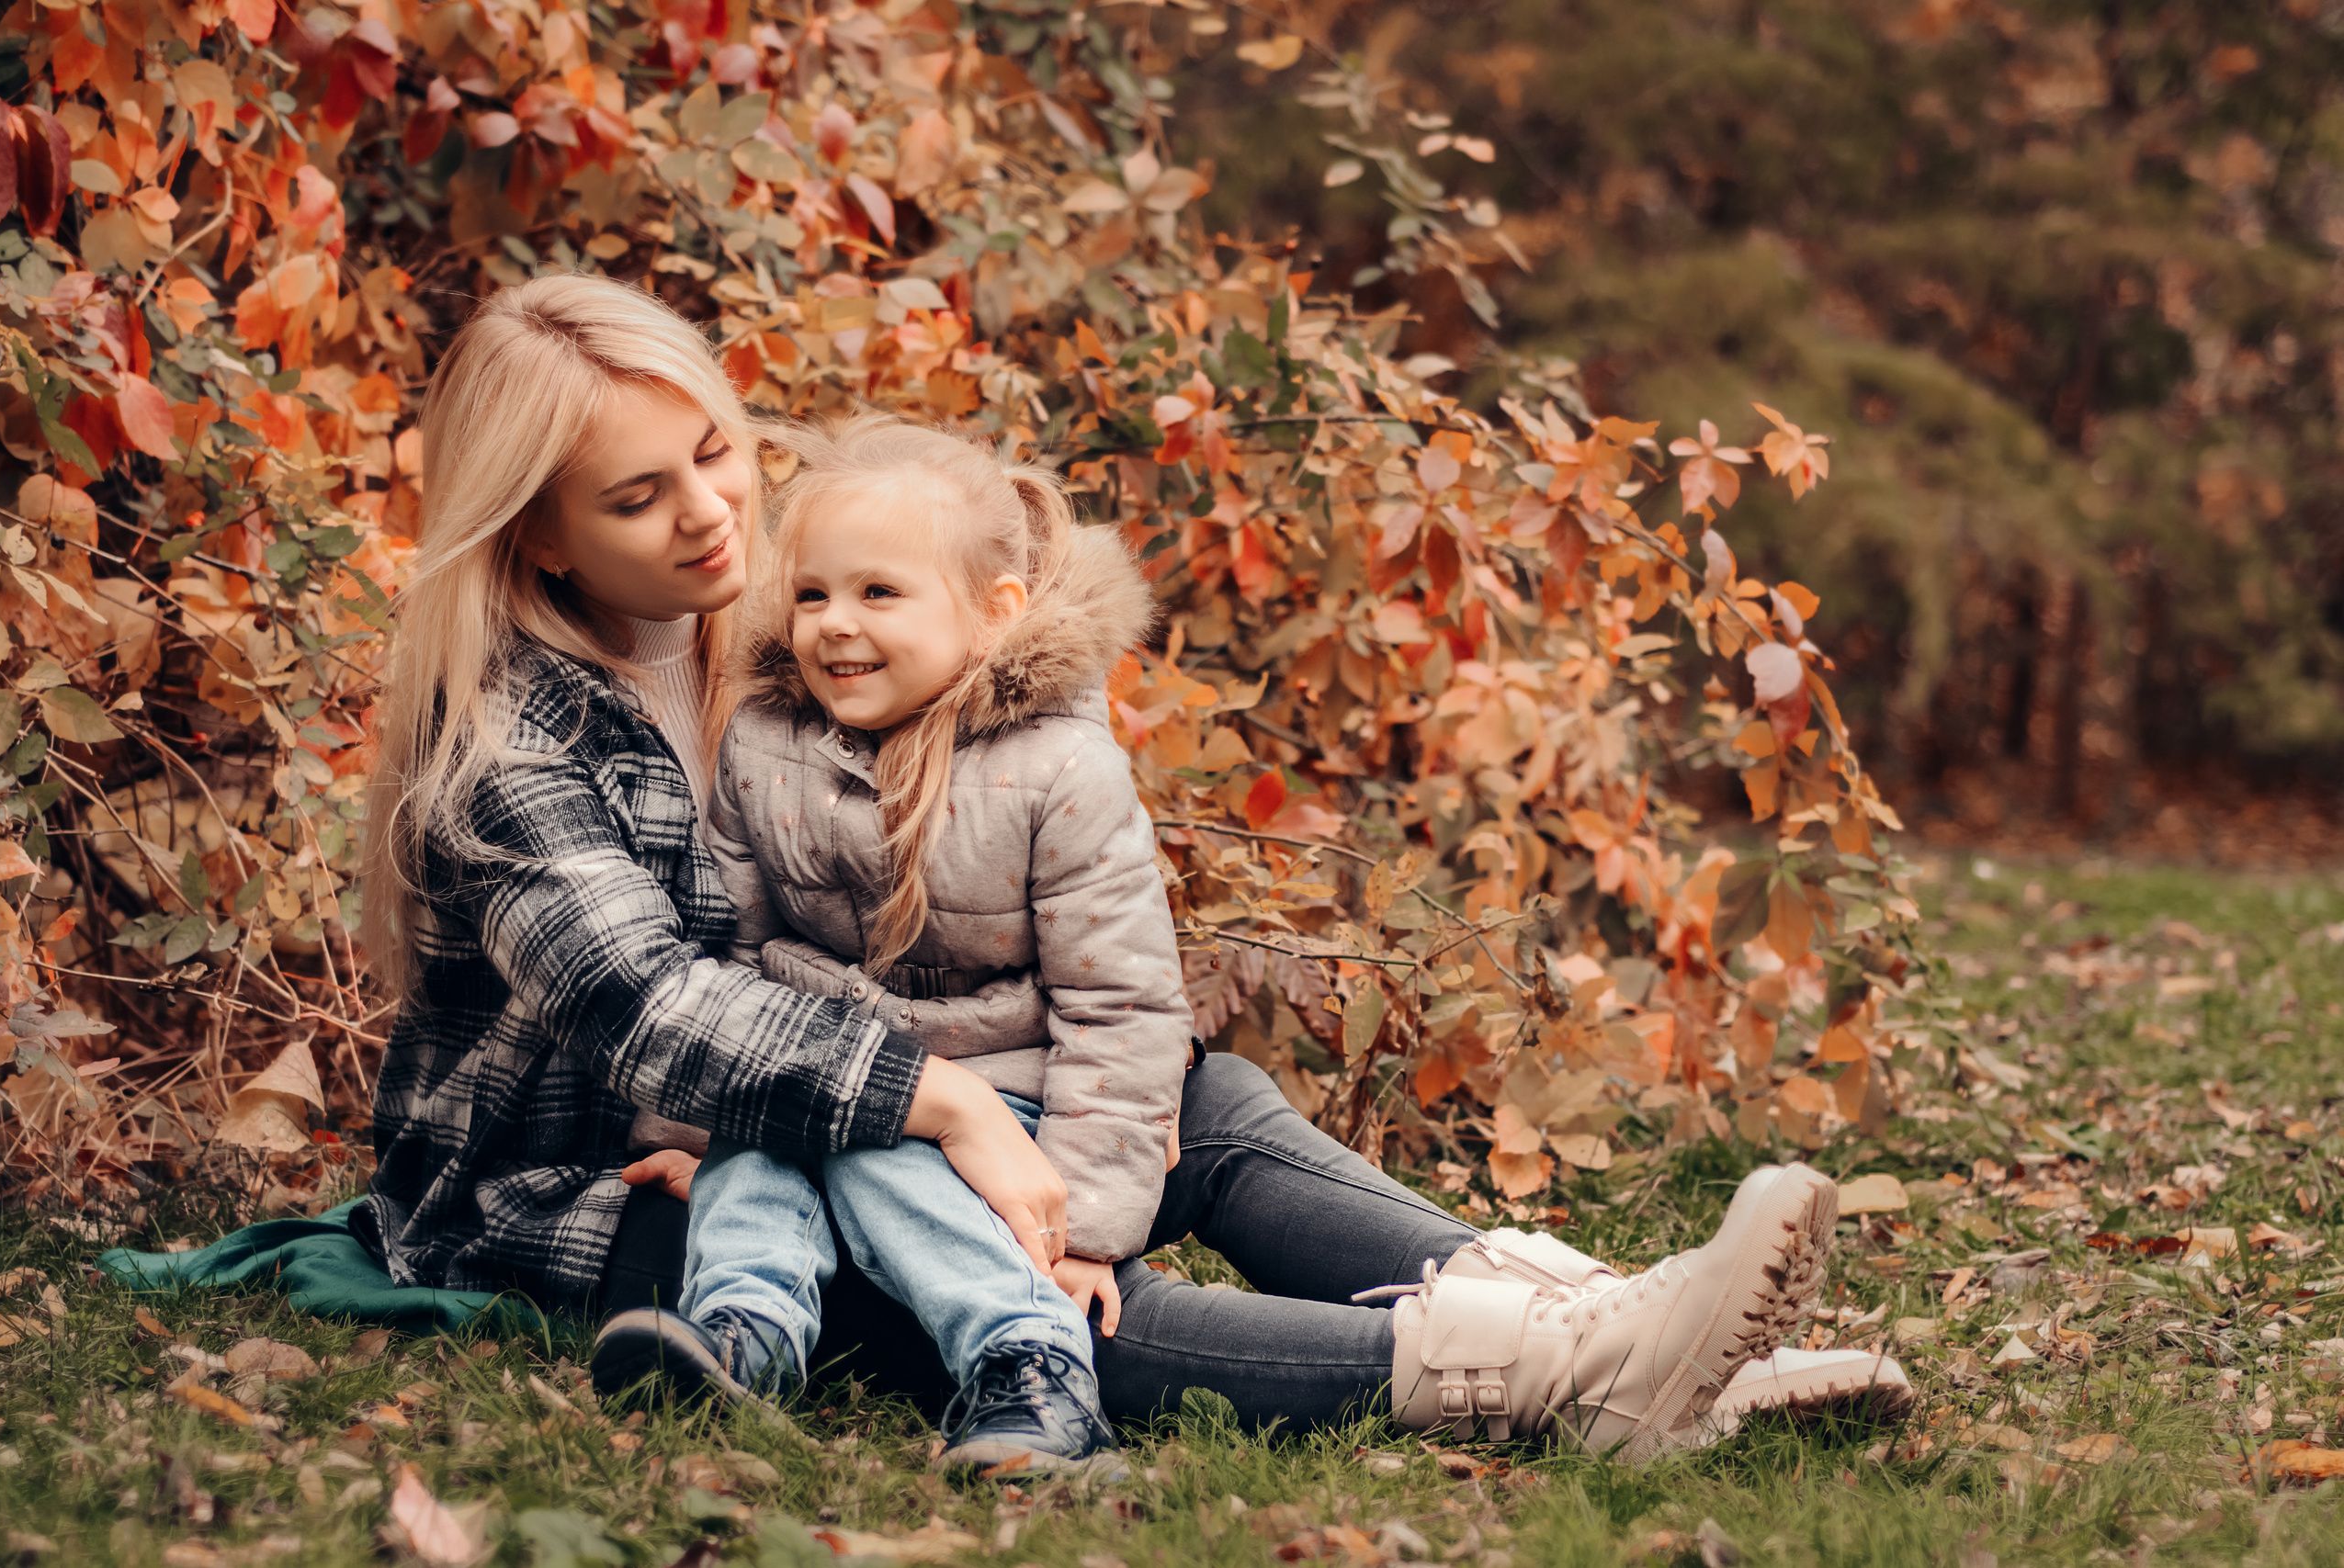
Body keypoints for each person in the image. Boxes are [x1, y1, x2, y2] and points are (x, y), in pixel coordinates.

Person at [361, 273, 1908, 1464]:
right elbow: (651, 1002)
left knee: (1202, 1106)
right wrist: (952, 1108)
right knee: (992, 1271)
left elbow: (999, 783)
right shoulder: (503, 737)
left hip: (831, 1099)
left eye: (713, 452)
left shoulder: (776, 630)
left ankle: (1607, 1316)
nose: (712, 513)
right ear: (538, 537)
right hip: (589, 1182)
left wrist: (1045, 1119)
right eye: (640, 499)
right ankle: (1555, 1377)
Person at [594, 416, 1191, 1477]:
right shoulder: (766, 742)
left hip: (999, 1084)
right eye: (814, 593)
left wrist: (1089, 1225)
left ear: (992, 613)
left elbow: (1123, 1001)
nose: (834, 625)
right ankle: (742, 1339)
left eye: (879, 594)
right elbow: (725, 951)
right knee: (760, 1137)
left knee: (881, 1156)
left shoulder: (1060, 770)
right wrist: (685, 1129)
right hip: (815, 1058)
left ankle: (1030, 1368)